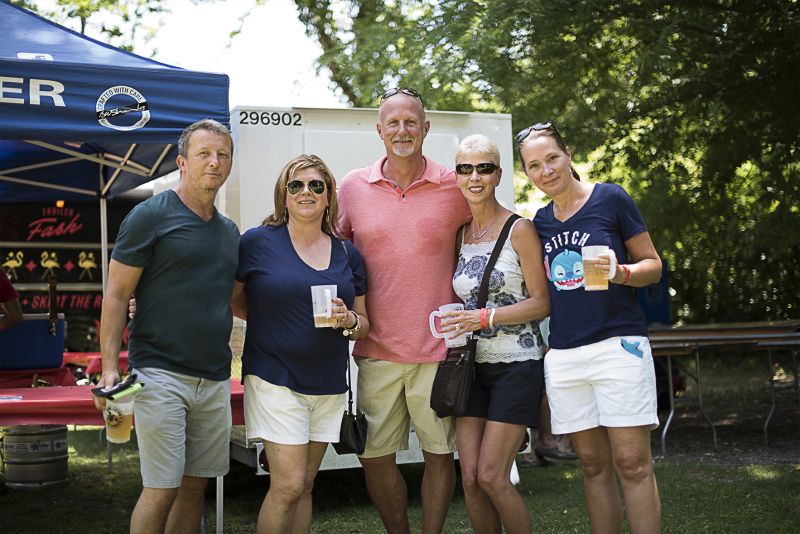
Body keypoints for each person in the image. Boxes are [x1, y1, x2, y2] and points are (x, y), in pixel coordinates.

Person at [337, 87, 472, 534]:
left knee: (439, 455)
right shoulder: (352, 187)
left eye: (410, 122)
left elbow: (490, 233)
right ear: (379, 130)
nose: (402, 130)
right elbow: (331, 251)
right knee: (374, 457)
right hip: (376, 348)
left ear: (425, 128)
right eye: (392, 123)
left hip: (439, 350)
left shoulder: (454, 185)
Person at [517, 121, 663, 533]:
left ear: (568, 155)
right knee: (593, 465)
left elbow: (653, 266)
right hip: (565, 355)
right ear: (527, 173)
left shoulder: (610, 198)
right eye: (534, 165)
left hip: (619, 347)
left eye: (552, 158)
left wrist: (621, 272)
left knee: (632, 463)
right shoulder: (539, 223)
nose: (546, 170)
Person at [95, 119, 240, 534]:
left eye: (223, 154)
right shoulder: (150, 215)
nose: (214, 162)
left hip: (214, 378)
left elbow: (229, 298)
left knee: (195, 487)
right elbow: (116, 295)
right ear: (182, 162)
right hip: (160, 373)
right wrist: (110, 368)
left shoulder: (229, 232)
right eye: (204, 153)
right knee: (161, 488)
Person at [231, 154, 370, 534]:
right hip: (275, 377)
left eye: (315, 185)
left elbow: (363, 324)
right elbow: (234, 300)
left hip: (328, 384)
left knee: (306, 486)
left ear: (328, 197)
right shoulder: (257, 242)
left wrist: (349, 320)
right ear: (284, 194)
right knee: (288, 485)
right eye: (296, 185)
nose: (305, 192)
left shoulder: (347, 253)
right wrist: (272, 319)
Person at [438, 134, 549, 534]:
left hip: (517, 365)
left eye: (484, 168)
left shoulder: (520, 229)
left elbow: (542, 303)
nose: (474, 177)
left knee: (491, 476)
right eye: (465, 169)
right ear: (457, 175)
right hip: (471, 368)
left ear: (498, 175)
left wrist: (484, 318)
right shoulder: (461, 234)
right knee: (470, 479)